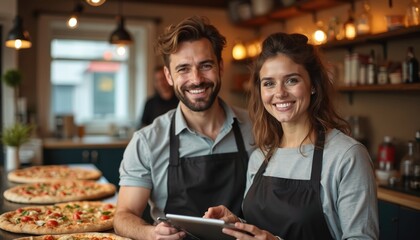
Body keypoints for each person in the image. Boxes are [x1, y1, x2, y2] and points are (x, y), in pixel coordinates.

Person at [204, 32, 379, 240]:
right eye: (268, 83)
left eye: (291, 80)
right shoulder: (260, 157)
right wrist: (238, 224)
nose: (279, 93)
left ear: (313, 84)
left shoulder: (346, 156)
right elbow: (262, 232)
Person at [114, 16, 255, 240]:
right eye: (183, 69)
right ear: (169, 76)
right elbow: (123, 215)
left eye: (205, 66)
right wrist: (152, 234)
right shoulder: (147, 141)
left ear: (220, 67)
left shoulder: (258, 129)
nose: (196, 79)